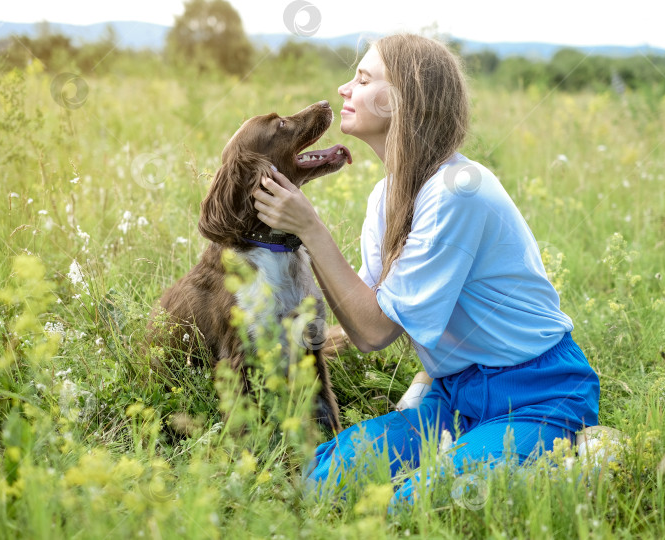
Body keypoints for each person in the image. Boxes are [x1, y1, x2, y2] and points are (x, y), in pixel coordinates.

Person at [252, 33, 600, 505]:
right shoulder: (385, 198)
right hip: (454, 394)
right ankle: (460, 437)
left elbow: (373, 332)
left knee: (417, 507)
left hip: (538, 391)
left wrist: (310, 230)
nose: (343, 90)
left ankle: (588, 455)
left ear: (403, 100)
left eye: (362, 78)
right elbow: (368, 322)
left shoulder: (458, 189)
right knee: (324, 482)